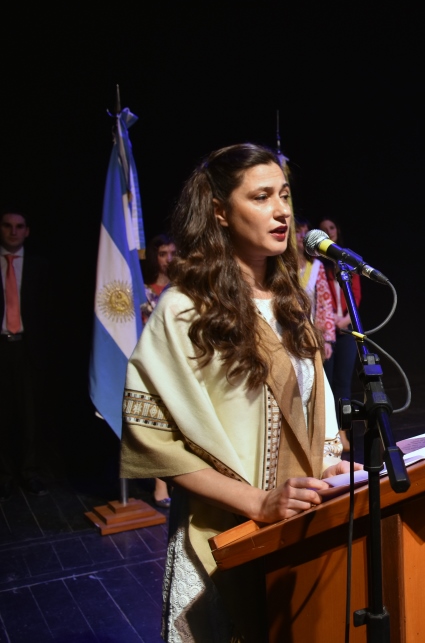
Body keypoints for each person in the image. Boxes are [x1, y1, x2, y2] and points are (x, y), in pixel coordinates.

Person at [119, 144, 358, 642]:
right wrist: (259, 502)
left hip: (304, 531)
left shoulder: (293, 302)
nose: (282, 211)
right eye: (262, 197)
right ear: (220, 212)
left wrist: (332, 463)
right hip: (229, 534)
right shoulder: (185, 309)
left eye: (286, 196)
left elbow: (318, 414)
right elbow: (156, 441)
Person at [0, 208, 49, 498]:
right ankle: (5, 475)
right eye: (7, 226)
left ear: (27, 231)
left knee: (31, 417)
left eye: (19, 226)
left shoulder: (38, 266)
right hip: (1, 346)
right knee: (3, 416)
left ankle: (30, 472)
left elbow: (48, 310)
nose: (13, 231)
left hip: (29, 349)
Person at [141, 233, 177, 508]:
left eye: (172, 253)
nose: (168, 259)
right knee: (159, 426)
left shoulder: (180, 288)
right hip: (153, 364)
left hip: (176, 363)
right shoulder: (143, 289)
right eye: (163, 254)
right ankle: (159, 485)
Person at [318, 216, 361, 412]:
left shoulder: (347, 260)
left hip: (346, 327)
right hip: (326, 330)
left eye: (332, 227)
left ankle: (344, 431)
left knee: (343, 382)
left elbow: (356, 296)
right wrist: (331, 323)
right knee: (326, 382)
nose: (329, 231)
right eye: (324, 229)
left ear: (338, 230)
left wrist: (344, 321)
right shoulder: (318, 264)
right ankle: (331, 431)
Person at [294, 216, 336, 360]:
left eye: (305, 232)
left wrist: (327, 339)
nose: (302, 236)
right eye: (298, 231)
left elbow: (326, 302)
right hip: (288, 333)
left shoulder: (316, 266)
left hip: (312, 333)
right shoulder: (283, 267)